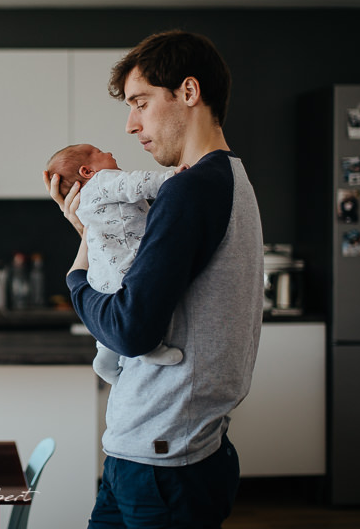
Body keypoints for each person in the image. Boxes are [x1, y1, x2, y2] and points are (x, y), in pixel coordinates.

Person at [43, 30, 263, 528]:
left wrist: (76, 278)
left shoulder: (189, 190)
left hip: (163, 462)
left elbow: (130, 330)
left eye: (140, 103)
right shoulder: (228, 178)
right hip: (161, 452)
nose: (129, 124)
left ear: (188, 92)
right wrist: (89, 233)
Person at [46, 143, 185, 384]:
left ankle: (105, 356)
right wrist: (172, 178)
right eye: (99, 153)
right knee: (143, 307)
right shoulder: (104, 181)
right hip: (126, 264)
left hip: (101, 274)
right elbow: (136, 183)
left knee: (111, 321)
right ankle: (147, 348)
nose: (109, 153)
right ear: (87, 171)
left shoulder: (84, 204)